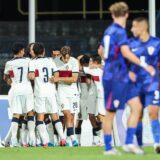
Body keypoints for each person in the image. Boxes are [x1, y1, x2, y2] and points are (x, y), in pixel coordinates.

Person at [98, 2, 155, 155]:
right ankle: (108, 148)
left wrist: (115, 63)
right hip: (114, 78)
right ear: (127, 14)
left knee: (136, 107)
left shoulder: (108, 31)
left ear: (112, 15)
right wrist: (145, 65)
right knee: (110, 112)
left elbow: (101, 51)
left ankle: (128, 143)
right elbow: (126, 53)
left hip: (121, 75)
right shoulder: (119, 32)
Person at [127, 17, 160, 153]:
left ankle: (157, 143)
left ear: (142, 28)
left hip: (152, 83)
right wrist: (128, 73)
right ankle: (139, 144)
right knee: (138, 114)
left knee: (153, 112)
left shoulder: (157, 43)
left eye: (134, 27)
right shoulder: (130, 44)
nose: (132, 29)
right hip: (136, 85)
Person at [28, 42, 66, 147]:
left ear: (34, 52)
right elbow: (56, 75)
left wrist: (33, 74)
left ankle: (44, 142)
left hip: (40, 92)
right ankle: (63, 138)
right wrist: (54, 79)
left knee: (40, 117)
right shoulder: (50, 61)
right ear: (43, 51)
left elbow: (31, 76)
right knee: (55, 115)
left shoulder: (32, 62)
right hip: (51, 91)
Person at [3, 43, 34, 147]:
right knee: (29, 113)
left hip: (16, 89)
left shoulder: (9, 63)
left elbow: (6, 78)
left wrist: (12, 82)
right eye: (23, 50)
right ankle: (32, 139)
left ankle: (13, 140)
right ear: (21, 51)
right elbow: (31, 76)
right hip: (27, 89)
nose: (24, 51)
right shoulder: (28, 61)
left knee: (16, 115)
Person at [50, 46, 79, 146]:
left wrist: (60, 78)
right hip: (61, 92)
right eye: (64, 57)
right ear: (61, 55)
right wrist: (67, 77)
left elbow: (74, 79)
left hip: (73, 92)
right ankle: (73, 138)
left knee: (71, 116)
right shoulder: (55, 62)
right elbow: (55, 78)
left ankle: (68, 139)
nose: (66, 60)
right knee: (66, 114)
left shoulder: (75, 62)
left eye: (67, 57)